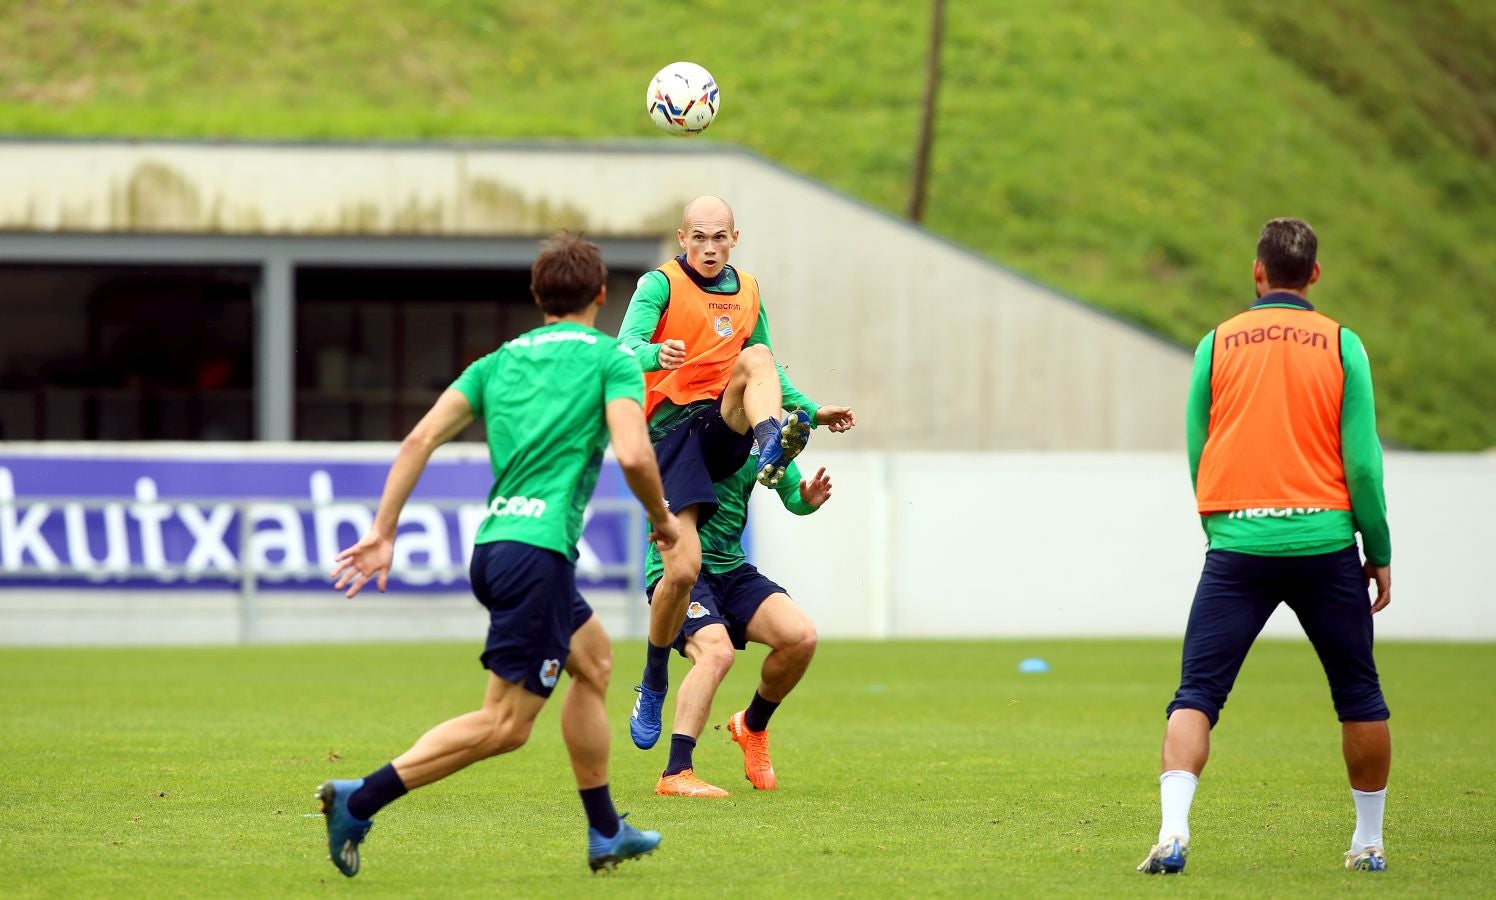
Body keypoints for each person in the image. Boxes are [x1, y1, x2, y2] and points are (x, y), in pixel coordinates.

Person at [316, 234, 680, 877]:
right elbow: (632, 452)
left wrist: (382, 531)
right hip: (536, 557)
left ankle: (605, 831)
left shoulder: (495, 363)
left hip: (498, 546)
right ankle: (358, 799)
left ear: (538, 297)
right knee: (505, 726)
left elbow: (420, 438)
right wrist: (663, 520)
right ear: (601, 295)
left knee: (593, 663)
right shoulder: (611, 360)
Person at [1137, 218, 1393, 876]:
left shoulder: (1216, 343)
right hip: (1325, 540)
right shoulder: (1342, 343)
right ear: (1313, 275)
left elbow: (1200, 443)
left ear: (1258, 272)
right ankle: (1368, 843)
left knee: (1196, 694)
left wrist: (1219, 525)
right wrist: (1379, 547)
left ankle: (1173, 831)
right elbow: (1362, 465)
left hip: (1240, 542)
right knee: (1359, 696)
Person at [616, 195, 855, 752]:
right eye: (698, 236)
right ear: (682, 238)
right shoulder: (660, 285)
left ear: (734, 237)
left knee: (758, 362)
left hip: (723, 423)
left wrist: (809, 411)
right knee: (683, 569)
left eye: (718, 236)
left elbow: (765, 362)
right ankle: (654, 680)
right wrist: (657, 355)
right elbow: (624, 348)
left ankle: (770, 439)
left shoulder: (748, 290)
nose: (708, 246)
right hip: (673, 431)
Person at [647, 445, 831, 797]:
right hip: (681, 570)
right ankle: (676, 771)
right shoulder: (692, 421)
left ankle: (752, 725)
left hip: (733, 569)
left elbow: (791, 491)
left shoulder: (764, 436)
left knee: (801, 637)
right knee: (717, 653)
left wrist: (806, 499)